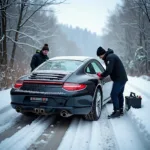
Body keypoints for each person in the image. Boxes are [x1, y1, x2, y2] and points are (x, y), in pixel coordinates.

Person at [96, 46, 128, 119]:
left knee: (113, 94)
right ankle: (120, 110)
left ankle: (116, 111)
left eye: (99, 56)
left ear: (102, 54)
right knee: (119, 94)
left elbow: (109, 70)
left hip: (119, 79)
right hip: (122, 78)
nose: (100, 58)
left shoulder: (110, 57)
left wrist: (101, 75)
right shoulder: (111, 56)